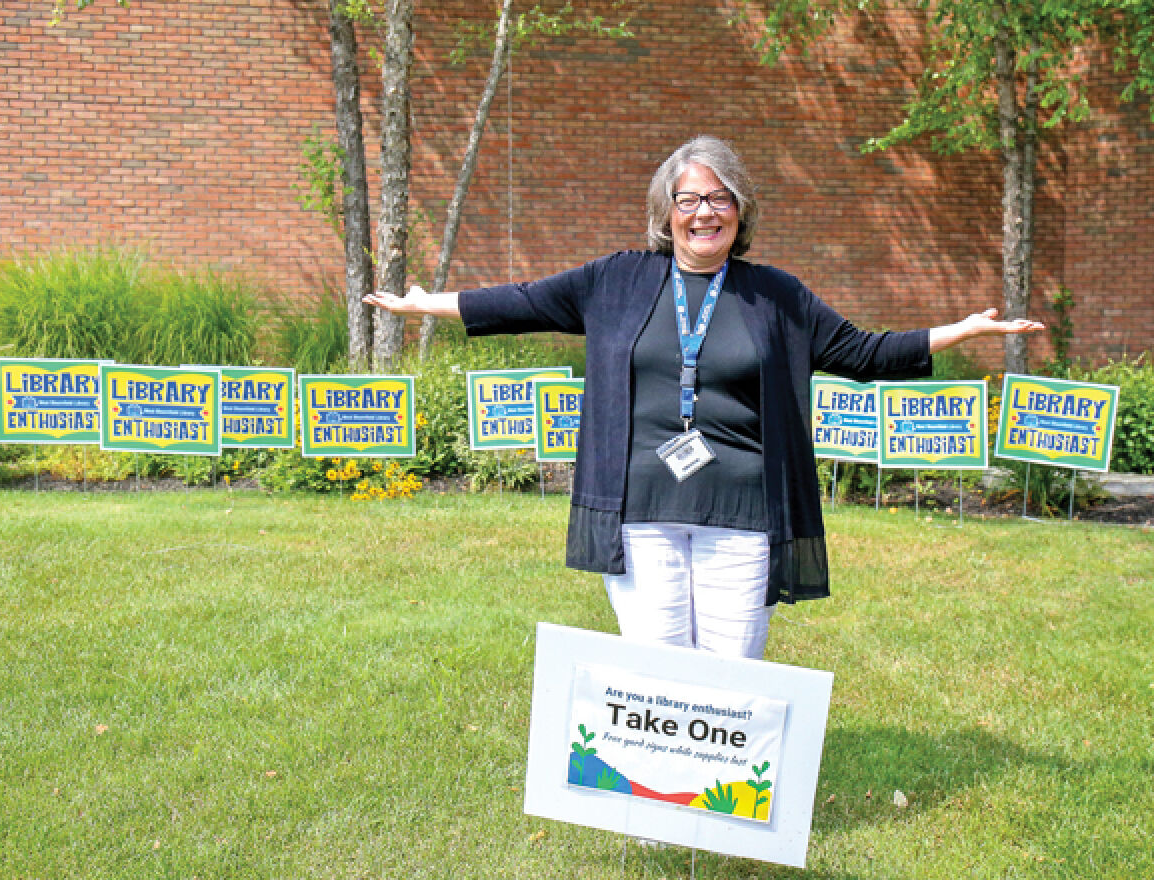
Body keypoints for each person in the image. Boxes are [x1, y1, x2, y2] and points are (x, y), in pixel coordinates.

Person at [364, 135, 1043, 661]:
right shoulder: (616, 280)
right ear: (668, 210)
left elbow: (862, 353)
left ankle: (722, 821)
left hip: (743, 512)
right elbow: (520, 302)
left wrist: (962, 330)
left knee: (730, 674)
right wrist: (430, 305)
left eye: (719, 198)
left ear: (740, 211)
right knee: (657, 668)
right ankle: (668, 813)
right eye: (689, 199)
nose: (703, 212)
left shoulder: (774, 294)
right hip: (643, 510)